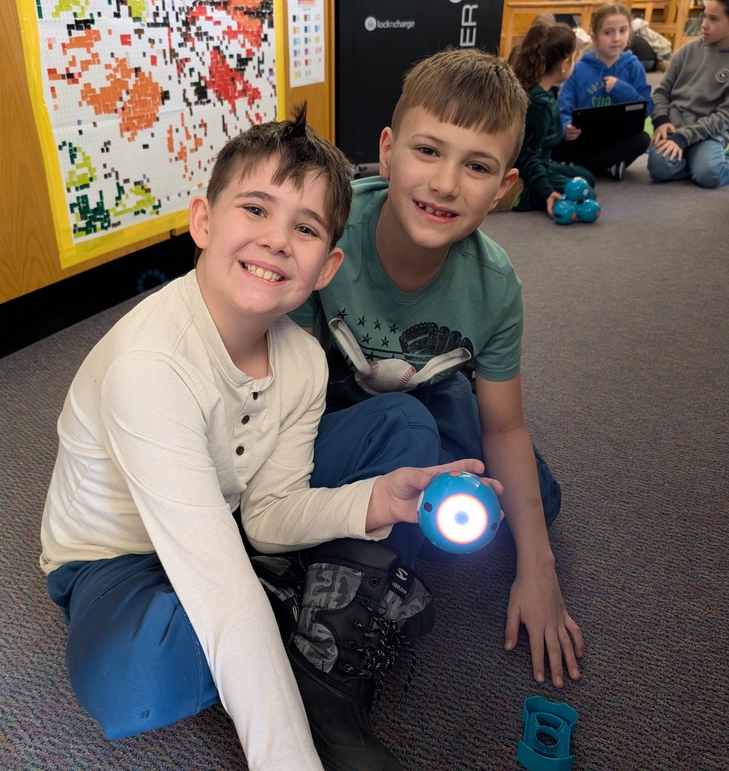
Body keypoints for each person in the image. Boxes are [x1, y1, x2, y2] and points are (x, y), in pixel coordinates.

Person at [38, 104, 487, 771]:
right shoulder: (149, 366)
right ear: (203, 221)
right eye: (254, 209)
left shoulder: (301, 357)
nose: (276, 239)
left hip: (231, 514)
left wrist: (374, 503)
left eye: (304, 227)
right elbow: (216, 583)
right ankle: (294, 613)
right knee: (136, 680)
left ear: (326, 266)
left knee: (404, 422)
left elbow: (271, 514)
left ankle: (293, 620)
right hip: (117, 556)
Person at [288, 47, 584, 764]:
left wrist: (536, 568)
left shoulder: (495, 286)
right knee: (407, 432)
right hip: (319, 398)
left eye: (477, 166)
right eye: (428, 151)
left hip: (431, 385)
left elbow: (504, 423)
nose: (446, 183)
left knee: (534, 499)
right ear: (387, 152)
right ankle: (335, 614)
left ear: (506, 186)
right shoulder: (327, 229)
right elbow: (272, 396)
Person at [647, 0, 729, 188]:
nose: (704, 25)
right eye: (704, 16)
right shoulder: (688, 49)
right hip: (675, 128)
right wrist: (661, 120)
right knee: (659, 168)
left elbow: (725, 116)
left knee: (709, 176)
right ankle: (696, 163)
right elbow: (661, 92)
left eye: (714, 19)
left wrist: (685, 138)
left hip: (709, 133)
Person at [553, 3, 652, 180]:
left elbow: (647, 108)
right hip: (583, 139)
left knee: (643, 139)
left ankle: (581, 168)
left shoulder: (633, 66)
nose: (616, 38)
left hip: (616, 140)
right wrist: (567, 127)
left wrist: (622, 90)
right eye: (608, 32)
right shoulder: (578, 69)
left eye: (623, 30)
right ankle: (607, 166)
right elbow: (563, 107)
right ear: (594, 36)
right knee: (552, 140)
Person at [511, 22, 598, 216]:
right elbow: (529, 157)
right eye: (576, 58)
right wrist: (547, 192)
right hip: (526, 169)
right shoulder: (540, 104)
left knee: (587, 177)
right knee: (587, 192)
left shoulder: (542, 92)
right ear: (564, 64)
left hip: (541, 163)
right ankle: (522, 196)